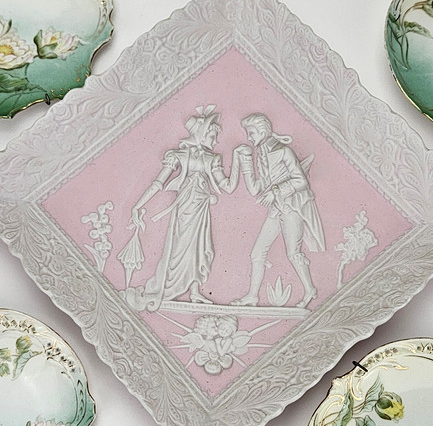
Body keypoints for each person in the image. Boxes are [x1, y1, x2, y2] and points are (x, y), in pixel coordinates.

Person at [121, 105, 238, 311]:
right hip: (184, 209)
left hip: (201, 210)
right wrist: (137, 205)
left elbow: (228, 187)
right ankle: (172, 286)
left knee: (200, 247)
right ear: (202, 134)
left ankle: (194, 291)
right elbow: (158, 183)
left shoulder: (212, 159)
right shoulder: (179, 156)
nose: (216, 141)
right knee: (178, 249)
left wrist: (239, 160)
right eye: (213, 135)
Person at [233, 113, 324, 308]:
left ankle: (310, 290)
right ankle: (252, 296)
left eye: (251, 133)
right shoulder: (261, 155)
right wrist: (246, 163)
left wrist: (275, 191)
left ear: (262, 131)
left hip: (291, 208)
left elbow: (301, 181)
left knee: (293, 253)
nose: (249, 137)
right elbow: (255, 189)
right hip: (276, 210)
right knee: (257, 253)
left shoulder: (283, 151)